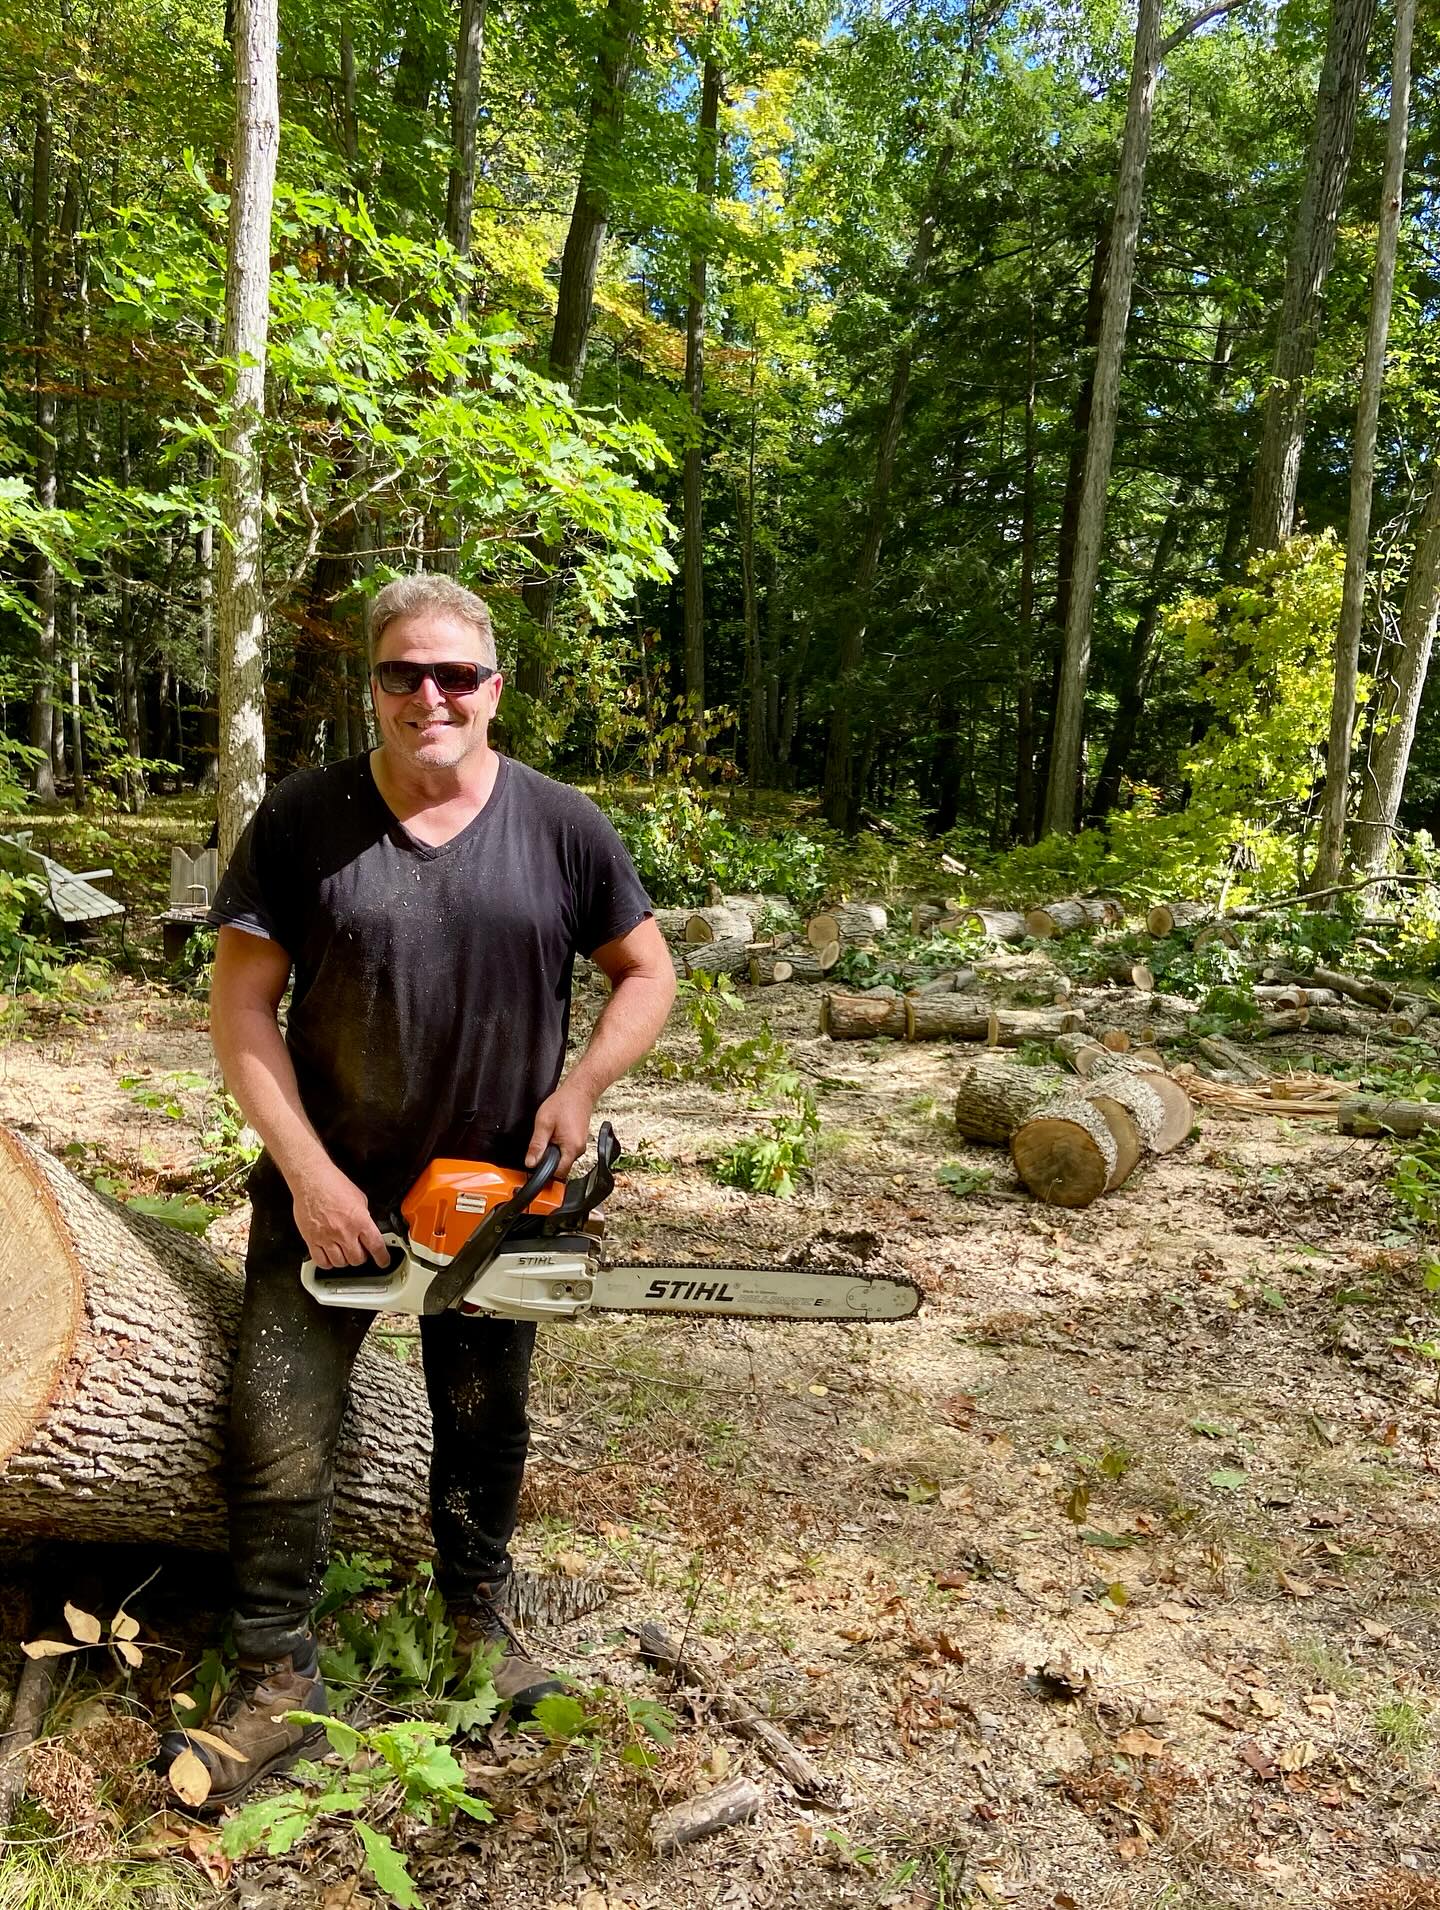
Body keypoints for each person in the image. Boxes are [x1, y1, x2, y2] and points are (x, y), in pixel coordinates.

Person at [162, 575, 675, 1806]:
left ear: (494, 688)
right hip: (327, 1187)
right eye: (404, 673)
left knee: (489, 1419)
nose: (429, 695)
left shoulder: (561, 825)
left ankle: (476, 1627)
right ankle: (277, 1669)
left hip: (497, 1193)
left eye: (454, 674)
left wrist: (583, 1085)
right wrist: (309, 1172)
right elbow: (240, 1007)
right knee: (275, 1428)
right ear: (375, 687)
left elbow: (645, 968)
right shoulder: (301, 821)